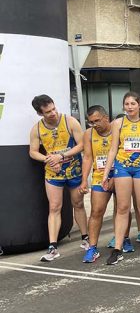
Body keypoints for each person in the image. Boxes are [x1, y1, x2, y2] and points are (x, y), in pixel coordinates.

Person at [102, 92, 140, 264]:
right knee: (122, 207)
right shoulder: (118, 123)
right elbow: (113, 149)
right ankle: (118, 248)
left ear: (139, 105)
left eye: (132, 104)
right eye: (126, 104)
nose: (129, 107)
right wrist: (106, 173)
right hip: (122, 168)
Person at [29, 94, 88, 262]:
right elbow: (33, 152)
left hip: (74, 170)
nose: (53, 113)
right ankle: (53, 247)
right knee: (54, 207)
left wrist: (61, 156)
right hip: (53, 173)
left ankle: (86, 238)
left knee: (78, 204)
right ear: (41, 114)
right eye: (48, 112)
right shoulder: (37, 129)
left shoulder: (70, 122)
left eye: (53, 108)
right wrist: (48, 159)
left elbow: (82, 144)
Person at [78, 105, 114, 263]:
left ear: (106, 118)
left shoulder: (117, 129)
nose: (94, 125)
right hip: (99, 176)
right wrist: (84, 179)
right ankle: (92, 247)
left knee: (122, 209)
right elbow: (87, 157)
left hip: (119, 173)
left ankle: (123, 239)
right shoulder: (88, 134)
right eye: (91, 122)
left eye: (97, 121)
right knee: (96, 211)